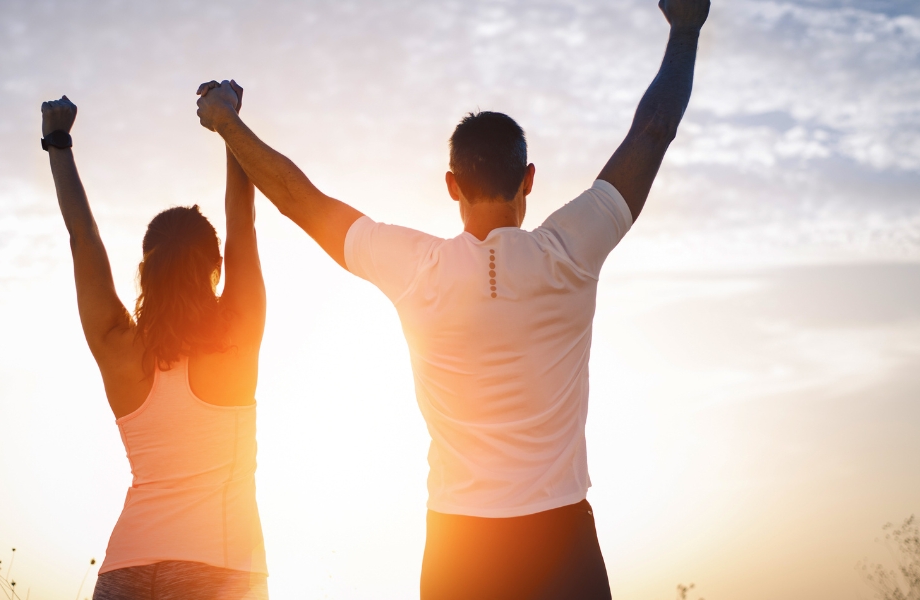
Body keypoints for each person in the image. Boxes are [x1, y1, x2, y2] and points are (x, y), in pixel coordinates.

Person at [196, 0, 708, 597]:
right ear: (529, 178)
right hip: (561, 539)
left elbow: (298, 198)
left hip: (460, 547)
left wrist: (226, 121)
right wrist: (686, 28)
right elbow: (654, 129)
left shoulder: (417, 269)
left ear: (451, 186)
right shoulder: (570, 250)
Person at [41, 84, 269, 600]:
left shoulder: (117, 344)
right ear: (216, 269)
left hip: (124, 570)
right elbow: (242, 221)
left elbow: (83, 237)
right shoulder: (237, 336)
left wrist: (57, 140)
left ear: (144, 269)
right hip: (220, 569)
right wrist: (227, 122)